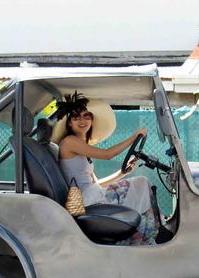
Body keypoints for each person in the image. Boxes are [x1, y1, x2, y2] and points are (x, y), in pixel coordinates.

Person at [51, 92, 158, 245]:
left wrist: (121, 173)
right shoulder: (69, 142)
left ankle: (145, 237)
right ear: (69, 123)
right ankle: (147, 238)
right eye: (76, 117)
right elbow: (107, 154)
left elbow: (97, 183)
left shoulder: (81, 146)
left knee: (141, 183)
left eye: (86, 116)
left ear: (92, 120)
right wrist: (134, 137)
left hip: (93, 195)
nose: (82, 120)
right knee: (142, 183)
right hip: (87, 201)